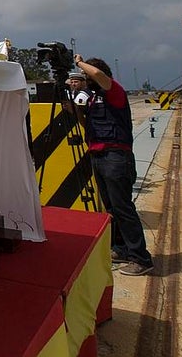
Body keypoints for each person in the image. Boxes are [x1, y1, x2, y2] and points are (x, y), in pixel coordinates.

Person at [73, 54, 154, 276]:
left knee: (123, 208)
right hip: (98, 155)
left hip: (116, 156)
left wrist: (79, 62)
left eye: (85, 76)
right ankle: (121, 249)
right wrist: (76, 106)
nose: (84, 79)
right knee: (111, 208)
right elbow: (84, 123)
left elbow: (98, 75)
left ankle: (141, 258)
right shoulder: (92, 97)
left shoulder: (113, 91)